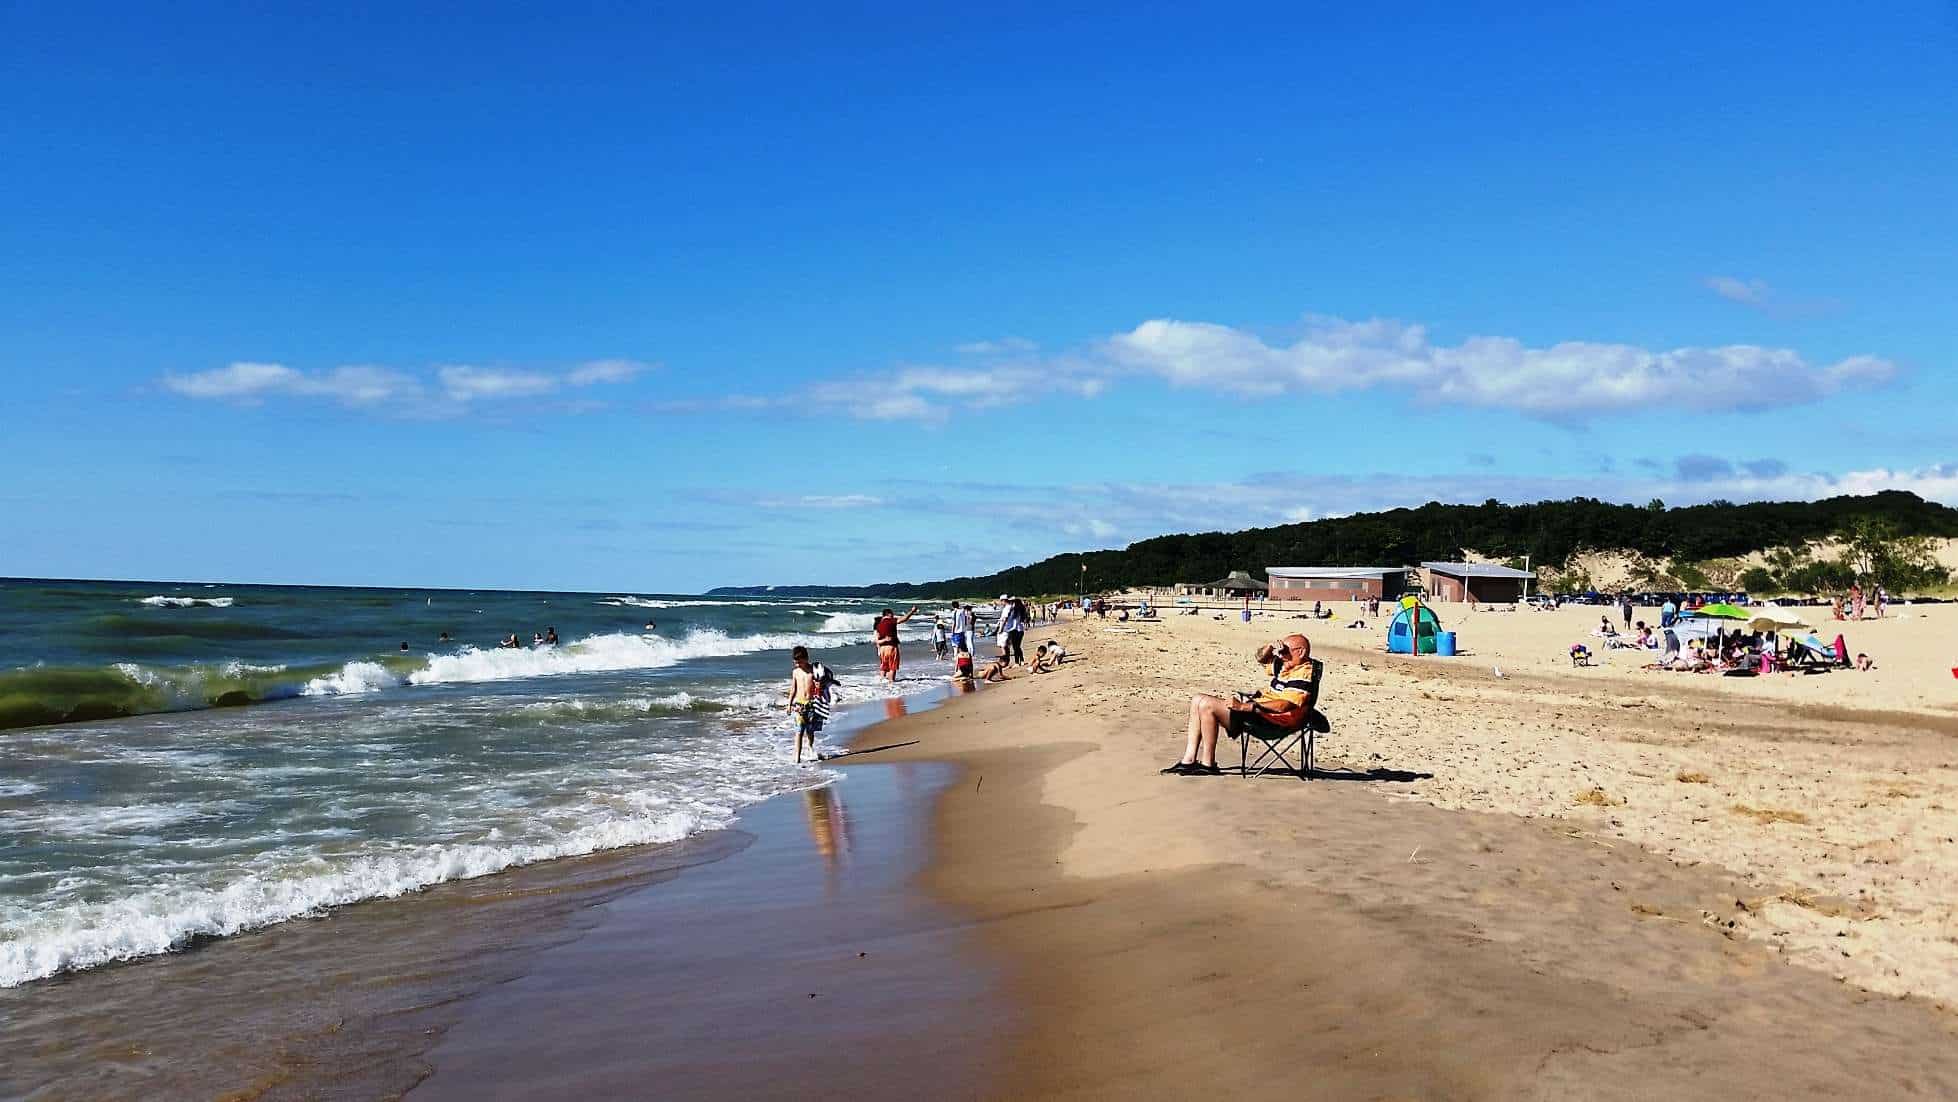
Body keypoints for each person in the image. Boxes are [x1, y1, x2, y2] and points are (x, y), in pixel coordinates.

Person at [1162, 634, 1316, 776]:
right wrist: (1270, 646)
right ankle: (1189, 760)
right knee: (1197, 699)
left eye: (1285, 652)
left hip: (1273, 722)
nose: (1280, 656)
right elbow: (1260, 657)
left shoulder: (1303, 674)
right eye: (1280, 652)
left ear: (1301, 652)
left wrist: (1245, 707)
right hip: (1260, 713)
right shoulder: (1286, 665)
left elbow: (1284, 705)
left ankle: (1208, 764)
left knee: (1207, 705)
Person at [784, 646, 823, 763]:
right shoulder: (795, 672)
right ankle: (797, 757)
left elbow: (820, 687)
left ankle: (810, 747)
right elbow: (793, 689)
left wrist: (819, 687)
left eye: (800, 662)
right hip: (799, 705)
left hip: (812, 704)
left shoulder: (814, 671)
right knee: (799, 731)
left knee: (810, 731)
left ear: (806, 659)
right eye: (796, 662)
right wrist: (789, 704)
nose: (798, 664)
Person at [872, 606, 919, 683]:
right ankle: (891, 685)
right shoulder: (890, 621)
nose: (893, 616)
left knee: (884, 667)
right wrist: (912, 612)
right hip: (891, 647)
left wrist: (882, 644)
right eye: (892, 614)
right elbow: (904, 619)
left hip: (882, 649)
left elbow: (877, 640)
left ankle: (881, 683)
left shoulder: (878, 625)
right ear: (889, 614)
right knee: (892, 667)